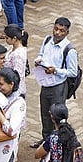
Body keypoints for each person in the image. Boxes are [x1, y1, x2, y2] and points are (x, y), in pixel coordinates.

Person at [32, 17, 80, 148]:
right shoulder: (47, 40)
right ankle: (46, 140)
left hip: (58, 86)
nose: (58, 33)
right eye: (56, 29)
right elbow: (41, 53)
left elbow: (72, 72)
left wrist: (56, 71)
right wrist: (39, 60)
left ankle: (58, 143)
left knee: (57, 116)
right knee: (45, 114)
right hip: (45, 83)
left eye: (62, 31)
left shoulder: (70, 50)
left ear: (67, 32)